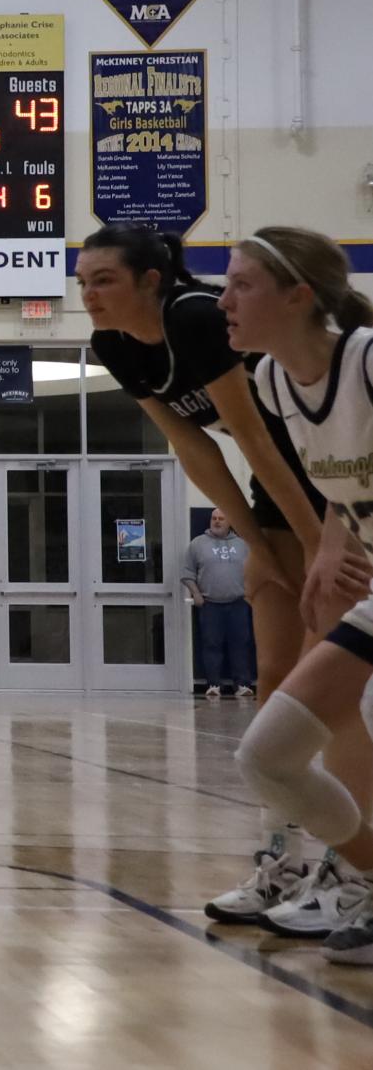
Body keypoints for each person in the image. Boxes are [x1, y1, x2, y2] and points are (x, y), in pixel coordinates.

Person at [76, 223, 360, 929]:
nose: (87, 295)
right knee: (273, 680)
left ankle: (349, 865)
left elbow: (258, 437)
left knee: (335, 689)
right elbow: (193, 445)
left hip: (330, 487)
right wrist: (258, 543)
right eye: (79, 283)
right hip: (276, 491)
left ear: (150, 279)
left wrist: (311, 542)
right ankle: (281, 860)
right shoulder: (113, 346)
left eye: (102, 279)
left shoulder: (195, 319)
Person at [217, 226, 373, 961]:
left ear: (297, 296)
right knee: (269, 756)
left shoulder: (367, 363)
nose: (223, 301)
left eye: (240, 284)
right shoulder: (275, 383)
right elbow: (345, 493)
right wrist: (326, 553)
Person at [183, 509, 256, 699]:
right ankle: (213, 685)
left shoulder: (242, 545)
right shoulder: (197, 544)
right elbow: (187, 573)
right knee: (211, 645)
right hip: (210, 605)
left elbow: (255, 571)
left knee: (240, 645)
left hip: (238, 603)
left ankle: (242, 685)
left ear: (230, 522)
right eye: (214, 518)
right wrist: (196, 594)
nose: (216, 522)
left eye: (221, 518)